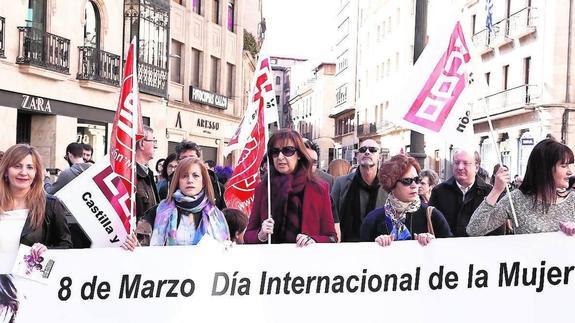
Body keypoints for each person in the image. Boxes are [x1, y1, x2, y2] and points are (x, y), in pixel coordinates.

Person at [245, 129, 337, 245]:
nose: (280, 157)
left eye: (287, 151)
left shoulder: (319, 189)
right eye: (275, 152)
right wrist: (261, 235)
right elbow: (248, 236)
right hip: (272, 260)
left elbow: (332, 237)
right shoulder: (263, 188)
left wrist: (313, 240)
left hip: (306, 259)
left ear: (299, 154)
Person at [468, 139, 575, 236]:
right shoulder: (517, 199)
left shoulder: (572, 200)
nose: (570, 172)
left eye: (569, 165)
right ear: (544, 169)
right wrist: (496, 190)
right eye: (564, 166)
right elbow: (474, 230)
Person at [0, 144, 72, 266]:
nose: (24, 172)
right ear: (6, 171)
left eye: (30, 167)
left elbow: (66, 246)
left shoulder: (51, 205)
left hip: (28, 282)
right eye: (17, 166)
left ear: (36, 172)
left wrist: (47, 251)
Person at [361, 155, 452, 246]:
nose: (414, 185)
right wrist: (375, 245)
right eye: (407, 181)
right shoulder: (374, 219)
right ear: (391, 184)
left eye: (417, 180)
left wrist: (433, 243)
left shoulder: (432, 215)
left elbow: (450, 250)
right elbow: (361, 254)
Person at [148, 157, 230, 246]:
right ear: (178, 181)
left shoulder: (216, 214)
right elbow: (140, 241)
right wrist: (132, 242)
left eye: (195, 176)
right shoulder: (160, 210)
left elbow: (225, 249)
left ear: (203, 182)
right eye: (184, 176)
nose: (190, 180)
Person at [429, 148, 505, 237]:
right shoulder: (439, 191)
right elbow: (431, 222)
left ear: (476, 167)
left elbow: (497, 229)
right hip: (447, 248)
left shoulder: (490, 193)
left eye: (465, 163)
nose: (460, 167)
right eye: (456, 163)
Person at [331, 139, 387, 242]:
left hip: (379, 247)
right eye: (362, 149)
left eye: (372, 150)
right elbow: (331, 217)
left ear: (380, 157)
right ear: (357, 156)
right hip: (347, 247)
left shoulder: (388, 186)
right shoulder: (341, 183)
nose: (367, 152)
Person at [175, 140, 226, 210]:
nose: (188, 161)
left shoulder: (216, 186)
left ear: (200, 160)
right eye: (184, 158)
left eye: (192, 157)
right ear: (178, 162)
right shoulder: (169, 184)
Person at [135, 125, 160, 222]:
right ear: (142, 144)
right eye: (153, 141)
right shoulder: (130, 175)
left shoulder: (148, 173)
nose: (155, 145)